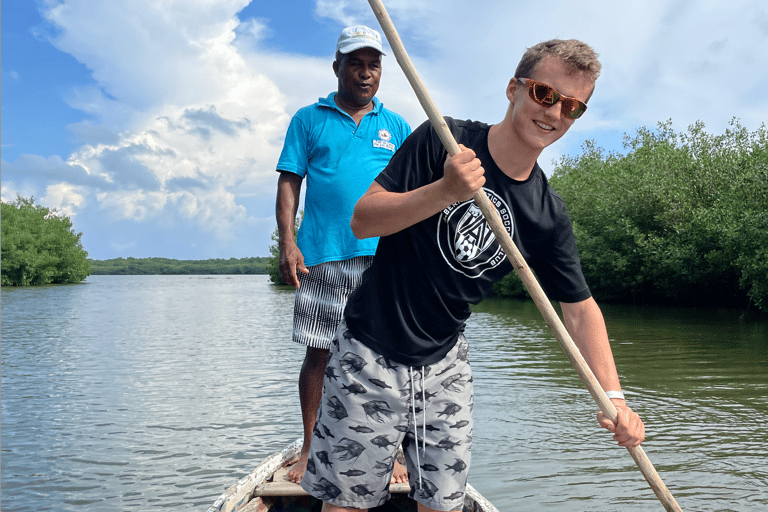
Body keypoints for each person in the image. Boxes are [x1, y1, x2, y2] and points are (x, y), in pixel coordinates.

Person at [300, 39, 646, 512]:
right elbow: (364, 218)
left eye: (572, 106)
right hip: (370, 348)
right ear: (514, 89)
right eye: (546, 94)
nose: (555, 112)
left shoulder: (545, 213)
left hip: (445, 363)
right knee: (345, 504)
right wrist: (445, 189)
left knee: (443, 505)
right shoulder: (444, 140)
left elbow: (580, 309)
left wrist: (615, 399)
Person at [274, 25, 412, 484]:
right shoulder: (308, 119)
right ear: (337, 67)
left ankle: (388, 452)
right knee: (319, 353)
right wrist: (288, 241)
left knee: (386, 357)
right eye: (356, 62)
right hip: (322, 256)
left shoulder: (396, 127)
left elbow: (413, 193)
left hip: (384, 259)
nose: (365, 72)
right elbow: (290, 180)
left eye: (373, 64)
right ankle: (311, 447)